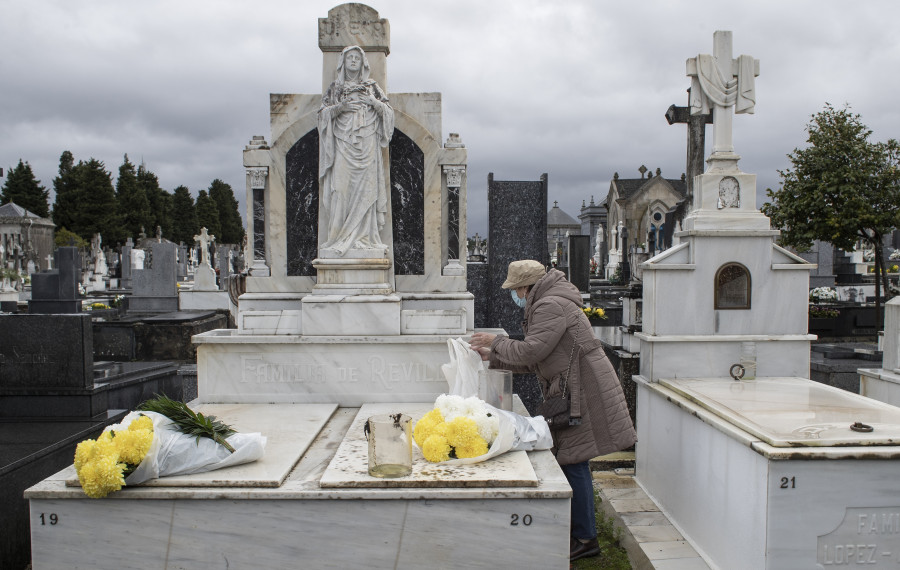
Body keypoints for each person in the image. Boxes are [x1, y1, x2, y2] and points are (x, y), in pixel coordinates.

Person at [469, 260, 636, 562]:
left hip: (582, 388)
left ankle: (585, 539)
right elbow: (536, 359)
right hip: (576, 385)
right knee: (574, 459)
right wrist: (493, 356)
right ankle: (581, 533)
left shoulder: (549, 305)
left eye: (515, 289)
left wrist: (497, 342)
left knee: (574, 459)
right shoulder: (549, 301)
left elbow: (531, 351)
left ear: (526, 287)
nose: (514, 295)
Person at [318, 45, 395, 256]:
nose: (353, 61)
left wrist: (372, 102)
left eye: (357, 58)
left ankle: (365, 238)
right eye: (350, 57)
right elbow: (322, 115)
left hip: (367, 145)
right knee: (340, 190)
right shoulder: (335, 89)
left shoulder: (372, 87)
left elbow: (388, 113)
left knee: (367, 192)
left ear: (363, 63)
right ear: (343, 62)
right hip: (343, 144)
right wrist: (340, 108)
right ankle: (337, 238)